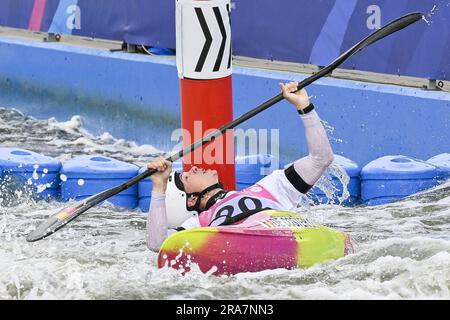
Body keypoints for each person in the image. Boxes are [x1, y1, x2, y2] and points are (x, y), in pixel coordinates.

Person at [146, 82, 334, 252]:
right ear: (190, 200)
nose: (193, 168)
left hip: (290, 236)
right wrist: (159, 187)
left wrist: (304, 107)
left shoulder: (269, 188)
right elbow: (157, 244)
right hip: (256, 249)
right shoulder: (198, 227)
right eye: (185, 177)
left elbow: (321, 158)